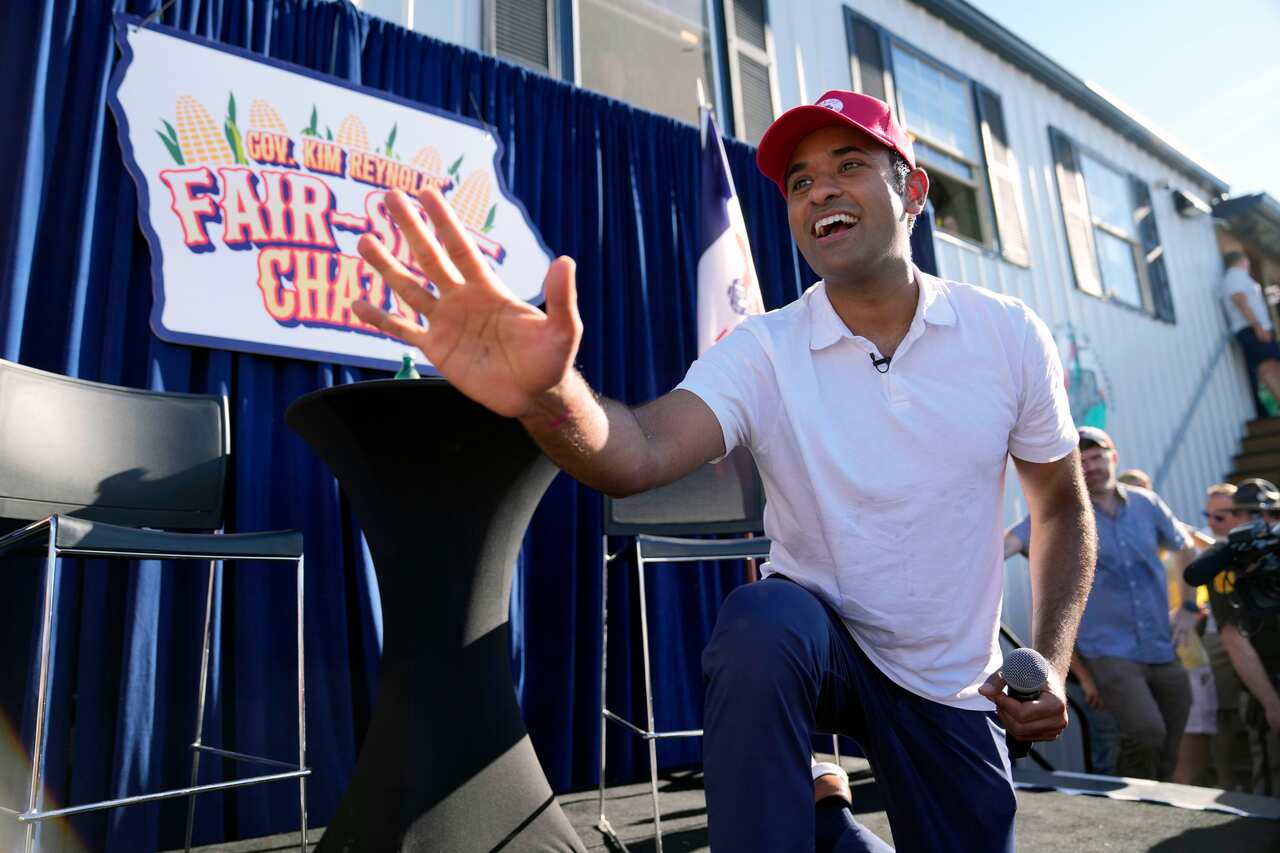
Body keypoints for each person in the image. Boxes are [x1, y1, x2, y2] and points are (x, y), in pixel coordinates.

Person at [351, 89, 1096, 852]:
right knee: (759, 623)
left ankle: (827, 826)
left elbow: (1061, 508)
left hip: (953, 681)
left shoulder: (1008, 334)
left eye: (848, 165)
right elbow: (639, 449)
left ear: (913, 191)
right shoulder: (764, 349)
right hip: (820, 647)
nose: (820, 190)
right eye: (800, 181)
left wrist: (1052, 660)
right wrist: (550, 394)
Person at [1005, 427, 1196, 781]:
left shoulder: (1146, 503)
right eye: (1082, 460)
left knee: (1174, 730)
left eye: (1097, 456)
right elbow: (1008, 544)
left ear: (1114, 457)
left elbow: (1185, 545)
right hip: (1108, 652)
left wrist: (1188, 607)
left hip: (1160, 644)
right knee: (1147, 732)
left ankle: (1157, 798)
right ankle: (1136, 799)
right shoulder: (1064, 509)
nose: (1091, 466)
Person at [1185, 479, 1280, 795]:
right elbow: (1233, 637)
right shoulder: (1227, 561)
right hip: (1265, 677)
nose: (1266, 523)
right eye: (1252, 515)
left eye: (1273, 514)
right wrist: (1270, 701)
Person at [1195, 483, 1251, 790]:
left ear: (1241, 514)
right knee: (1223, 712)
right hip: (1216, 638)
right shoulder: (1202, 543)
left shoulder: (1258, 541)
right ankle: (1226, 780)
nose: (1212, 523)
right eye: (1208, 515)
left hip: (1257, 636)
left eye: (1220, 516)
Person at [1219, 251, 1280, 418]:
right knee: (1268, 367)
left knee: (1273, 365)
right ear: (1243, 261)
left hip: (1255, 328)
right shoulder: (1234, 276)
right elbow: (1239, 300)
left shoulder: (1239, 277)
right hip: (1251, 328)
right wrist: (1258, 326)